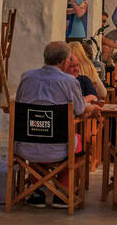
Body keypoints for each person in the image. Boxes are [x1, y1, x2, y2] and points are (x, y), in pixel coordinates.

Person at [14, 41, 86, 206]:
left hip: (26, 146)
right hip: (59, 148)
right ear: (64, 61)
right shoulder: (69, 81)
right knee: (74, 139)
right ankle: (62, 192)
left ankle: (36, 191)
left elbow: (19, 104)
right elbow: (80, 109)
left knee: (37, 130)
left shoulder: (26, 77)